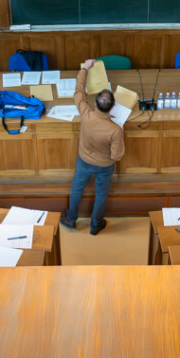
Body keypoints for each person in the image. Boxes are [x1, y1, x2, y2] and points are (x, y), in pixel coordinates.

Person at [61, 58, 125, 235]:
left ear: (95, 104)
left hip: (84, 161)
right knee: (101, 194)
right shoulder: (115, 130)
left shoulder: (86, 114)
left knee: (76, 189)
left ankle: (70, 219)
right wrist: (120, 132)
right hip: (105, 166)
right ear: (112, 108)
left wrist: (85, 69)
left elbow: (79, 91)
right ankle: (96, 225)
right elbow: (117, 156)